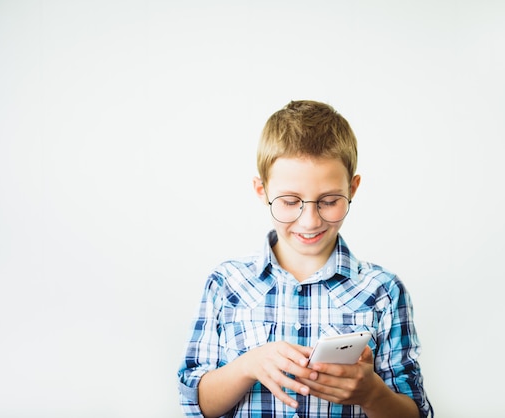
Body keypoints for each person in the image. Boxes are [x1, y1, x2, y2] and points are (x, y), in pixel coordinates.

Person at [177, 100, 433, 417]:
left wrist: (371, 394)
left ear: (352, 188)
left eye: (328, 201)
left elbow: (415, 412)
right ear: (262, 190)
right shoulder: (226, 284)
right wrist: (247, 366)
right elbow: (195, 405)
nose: (309, 220)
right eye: (289, 201)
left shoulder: (383, 290)